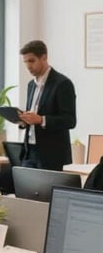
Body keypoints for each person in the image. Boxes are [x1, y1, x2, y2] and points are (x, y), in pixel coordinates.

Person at [18, 39, 76, 170]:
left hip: (52, 154)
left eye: (31, 61)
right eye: (25, 62)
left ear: (44, 57)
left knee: (46, 191)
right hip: (29, 151)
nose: (28, 66)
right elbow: (33, 116)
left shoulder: (62, 84)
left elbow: (70, 121)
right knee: (25, 189)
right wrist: (24, 120)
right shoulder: (31, 85)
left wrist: (41, 120)